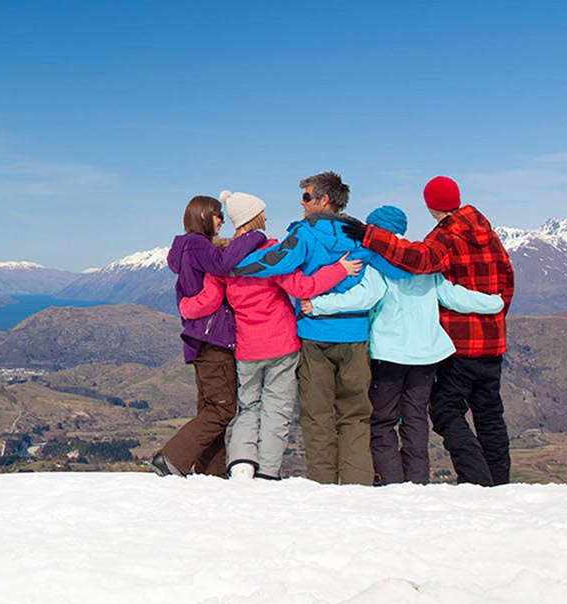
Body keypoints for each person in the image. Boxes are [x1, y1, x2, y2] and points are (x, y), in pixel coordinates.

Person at [230, 171, 409, 485]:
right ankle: (357, 485)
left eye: (307, 197)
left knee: (317, 415)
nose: (302, 203)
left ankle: (323, 486)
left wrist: (233, 265)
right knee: (355, 415)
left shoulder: (306, 234)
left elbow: (277, 261)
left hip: (314, 335)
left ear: (324, 200)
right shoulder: (359, 234)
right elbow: (396, 266)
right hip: (355, 337)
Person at [307, 205, 504, 485]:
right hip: (427, 355)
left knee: (383, 419)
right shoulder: (423, 261)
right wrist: (494, 302)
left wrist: (316, 304)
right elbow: (452, 296)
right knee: (415, 418)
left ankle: (392, 482)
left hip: (391, 354)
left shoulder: (379, 262)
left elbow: (364, 297)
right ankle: (417, 481)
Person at [178, 190, 361, 480]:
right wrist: (339, 270)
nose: (266, 216)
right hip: (281, 345)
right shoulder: (272, 256)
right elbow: (302, 287)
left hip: (247, 348)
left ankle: (241, 464)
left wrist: (186, 307)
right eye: (261, 212)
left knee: (249, 407)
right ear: (253, 217)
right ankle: (267, 472)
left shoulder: (224, 260)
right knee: (277, 408)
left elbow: (211, 297)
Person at [150, 195, 259, 477]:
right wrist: (252, 237)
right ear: (202, 216)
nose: (222, 220)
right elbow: (222, 264)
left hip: (200, 340)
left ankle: (212, 471)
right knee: (223, 409)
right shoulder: (198, 243)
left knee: (211, 407)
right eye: (217, 214)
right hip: (215, 340)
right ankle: (172, 457)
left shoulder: (185, 249)